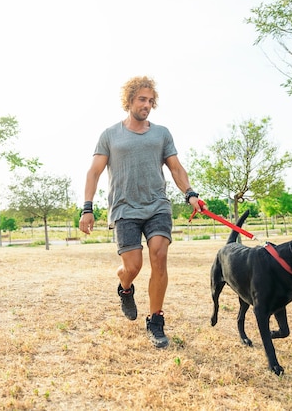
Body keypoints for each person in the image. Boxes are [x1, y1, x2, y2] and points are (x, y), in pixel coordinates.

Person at [79, 76, 202, 348]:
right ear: (129, 101)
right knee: (132, 266)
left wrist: (190, 193)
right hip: (125, 208)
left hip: (157, 204)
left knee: (159, 257)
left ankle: (156, 320)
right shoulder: (110, 135)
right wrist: (87, 208)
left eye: (150, 100)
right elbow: (94, 172)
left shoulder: (161, 134)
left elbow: (176, 168)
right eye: (141, 100)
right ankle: (125, 288)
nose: (146, 105)